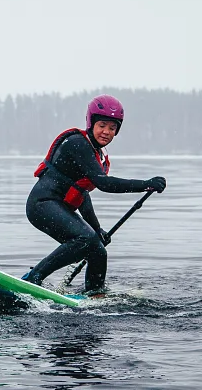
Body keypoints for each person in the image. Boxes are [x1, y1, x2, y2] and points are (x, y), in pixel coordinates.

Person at [22, 94, 166, 293]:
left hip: (58, 206)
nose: (107, 132)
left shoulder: (97, 153)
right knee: (84, 240)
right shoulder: (77, 143)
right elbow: (104, 183)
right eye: (102, 125)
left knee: (98, 249)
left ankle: (94, 295)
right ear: (91, 123)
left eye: (112, 128)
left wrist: (97, 229)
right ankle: (33, 278)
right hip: (42, 205)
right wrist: (145, 184)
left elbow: (82, 194)